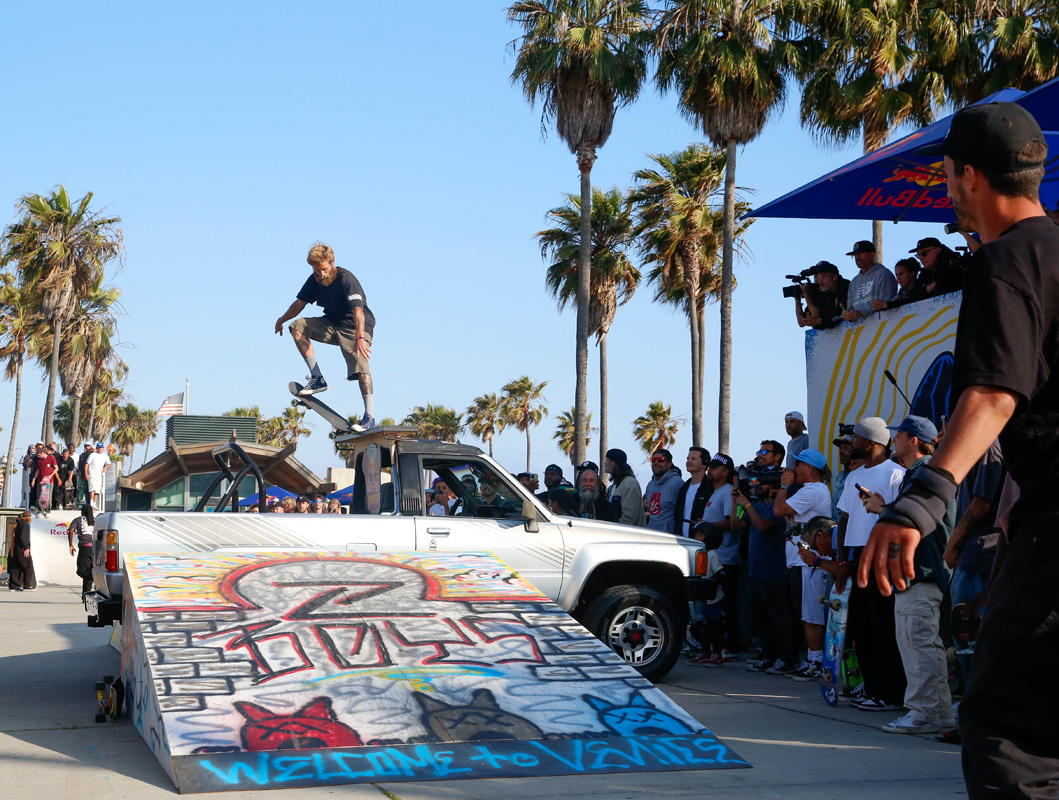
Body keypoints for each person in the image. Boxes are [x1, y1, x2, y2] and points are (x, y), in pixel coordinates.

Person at [859, 101, 1058, 798]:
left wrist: (923, 496)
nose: (945, 186)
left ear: (968, 175)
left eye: (945, 173)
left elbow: (994, 392)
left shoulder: (1004, 262)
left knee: (1006, 728)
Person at [863, 416, 955, 734]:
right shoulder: (920, 474)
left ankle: (923, 713)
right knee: (923, 645)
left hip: (922, 573)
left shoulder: (925, 473)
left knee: (917, 644)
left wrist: (882, 509)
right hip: (921, 574)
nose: (893, 440)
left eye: (898, 435)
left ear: (913, 440)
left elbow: (915, 521)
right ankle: (938, 713)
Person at [836, 417, 907, 712]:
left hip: (882, 557)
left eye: (856, 438)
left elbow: (902, 517)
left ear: (874, 442)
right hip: (854, 557)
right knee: (861, 628)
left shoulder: (896, 474)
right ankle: (873, 687)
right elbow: (844, 519)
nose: (851, 443)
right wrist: (840, 560)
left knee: (883, 627)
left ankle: (891, 694)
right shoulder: (853, 476)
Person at [274, 242, 377, 431]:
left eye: (324, 269)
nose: (321, 274)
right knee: (297, 326)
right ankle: (317, 378)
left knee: (361, 367)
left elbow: (358, 310)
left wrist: (361, 338)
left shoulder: (346, 278)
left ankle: (369, 416)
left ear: (332, 263)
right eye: (317, 270)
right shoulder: (314, 280)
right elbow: (299, 304)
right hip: (331, 323)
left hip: (355, 327)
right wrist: (281, 319)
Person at [944, 439, 1004, 690]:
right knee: (969, 644)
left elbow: (981, 504)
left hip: (978, 554)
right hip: (972, 553)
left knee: (971, 640)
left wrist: (952, 543)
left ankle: (976, 706)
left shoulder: (987, 446)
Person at [774, 449, 833, 681]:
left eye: (797, 465)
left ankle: (816, 662)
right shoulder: (811, 491)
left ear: (810, 467)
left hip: (810, 563)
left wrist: (783, 486)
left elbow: (779, 509)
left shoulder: (815, 490)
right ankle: (813, 659)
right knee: (806, 614)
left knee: (812, 614)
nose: (793, 469)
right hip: (801, 562)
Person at [731, 480, 792, 673]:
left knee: (778, 617)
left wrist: (747, 505)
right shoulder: (757, 505)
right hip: (755, 571)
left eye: (762, 484)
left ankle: (786, 659)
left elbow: (763, 525)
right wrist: (736, 502)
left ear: (773, 487)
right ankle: (769, 656)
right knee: (760, 618)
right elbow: (736, 524)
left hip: (774, 571)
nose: (756, 486)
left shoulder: (778, 508)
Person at [685, 528, 727, 667]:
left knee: (713, 625)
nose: (697, 536)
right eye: (696, 534)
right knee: (697, 626)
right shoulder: (697, 553)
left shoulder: (712, 555)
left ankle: (717, 652)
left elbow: (720, 572)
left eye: (701, 534)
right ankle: (705, 651)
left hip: (712, 597)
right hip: (699, 595)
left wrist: (712, 584)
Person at [841, 240, 898, 322]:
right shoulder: (854, 282)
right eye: (855, 255)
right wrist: (848, 315)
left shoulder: (883, 273)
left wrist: (862, 313)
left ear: (872, 255)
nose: (857, 258)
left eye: (861, 254)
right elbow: (850, 308)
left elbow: (888, 305)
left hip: (884, 328)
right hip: (860, 332)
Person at [673, 447, 714, 539]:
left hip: (702, 542)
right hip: (682, 541)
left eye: (693, 459)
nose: (689, 461)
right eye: (688, 459)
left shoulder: (711, 487)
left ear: (704, 464)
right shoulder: (684, 488)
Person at [797, 261, 849, 330]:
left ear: (834, 277)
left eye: (823, 277)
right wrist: (797, 299)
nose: (820, 282)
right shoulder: (820, 291)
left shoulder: (845, 287)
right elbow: (802, 322)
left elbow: (839, 317)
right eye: (817, 278)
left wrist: (806, 295)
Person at [644, 448, 684, 533]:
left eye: (660, 460)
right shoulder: (650, 484)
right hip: (651, 534)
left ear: (669, 464)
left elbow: (682, 511)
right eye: (653, 460)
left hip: (669, 536)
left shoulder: (677, 483)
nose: (656, 463)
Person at [604, 448, 645, 527]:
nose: (604, 463)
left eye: (606, 461)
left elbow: (629, 519)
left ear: (612, 463)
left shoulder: (630, 484)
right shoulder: (614, 486)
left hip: (627, 536)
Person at [67, 503, 96, 600]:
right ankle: (85, 596)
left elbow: (71, 530)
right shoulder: (95, 520)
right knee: (89, 570)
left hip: (85, 548)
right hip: (95, 549)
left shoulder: (78, 520)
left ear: (82, 511)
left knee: (82, 570)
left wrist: (70, 545)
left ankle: (96, 579)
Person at [8, 510, 35, 591]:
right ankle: (27, 585)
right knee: (28, 566)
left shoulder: (17, 525)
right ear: (28, 517)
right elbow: (24, 536)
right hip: (22, 549)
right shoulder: (25, 524)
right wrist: (26, 548)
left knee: (16, 567)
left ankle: (14, 585)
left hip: (16, 548)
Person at [33, 443, 58, 517]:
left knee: (47, 496)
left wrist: (50, 476)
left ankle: (47, 511)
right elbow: (38, 470)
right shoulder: (39, 461)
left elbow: (56, 468)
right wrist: (34, 479)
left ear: (43, 452)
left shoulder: (51, 458)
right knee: (40, 496)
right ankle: (40, 511)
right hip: (40, 481)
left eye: (39, 454)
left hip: (49, 481)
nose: (38, 456)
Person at [85, 442, 109, 510]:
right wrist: (86, 473)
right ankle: (91, 502)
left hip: (99, 474)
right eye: (98, 448)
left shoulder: (105, 456)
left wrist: (105, 468)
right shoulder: (92, 455)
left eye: (101, 448)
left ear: (103, 448)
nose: (100, 449)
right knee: (92, 488)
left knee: (97, 490)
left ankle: (95, 503)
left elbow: (109, 464)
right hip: (92, 473)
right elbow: (87, 464)